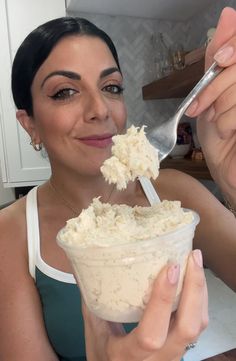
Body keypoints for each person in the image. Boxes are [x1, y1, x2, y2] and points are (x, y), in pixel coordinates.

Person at [0, 6, 235, 361]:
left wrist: (230, 177)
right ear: (29, 123)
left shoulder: (174, 193)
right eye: (64, 92)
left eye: (111, 87)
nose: (100, 110)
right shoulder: (12, 234)